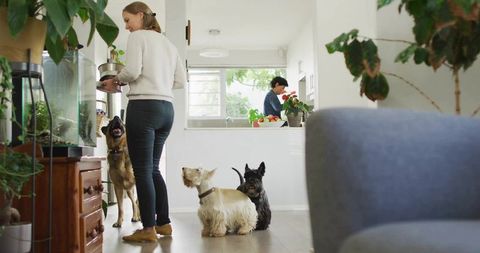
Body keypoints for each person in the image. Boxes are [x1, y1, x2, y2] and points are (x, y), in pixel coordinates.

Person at [101, 1, 187, 243]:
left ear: (140, 16)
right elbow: (180, 81)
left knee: (141, 170)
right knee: (153, 168)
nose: (127, 26)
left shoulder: (139, 37)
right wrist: (158, 83)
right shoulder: (169, 44)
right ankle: (164, 223)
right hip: (166, 110)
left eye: (127, 20)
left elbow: (132, 71)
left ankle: (148, 228)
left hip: (143, 108)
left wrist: (115, 80)